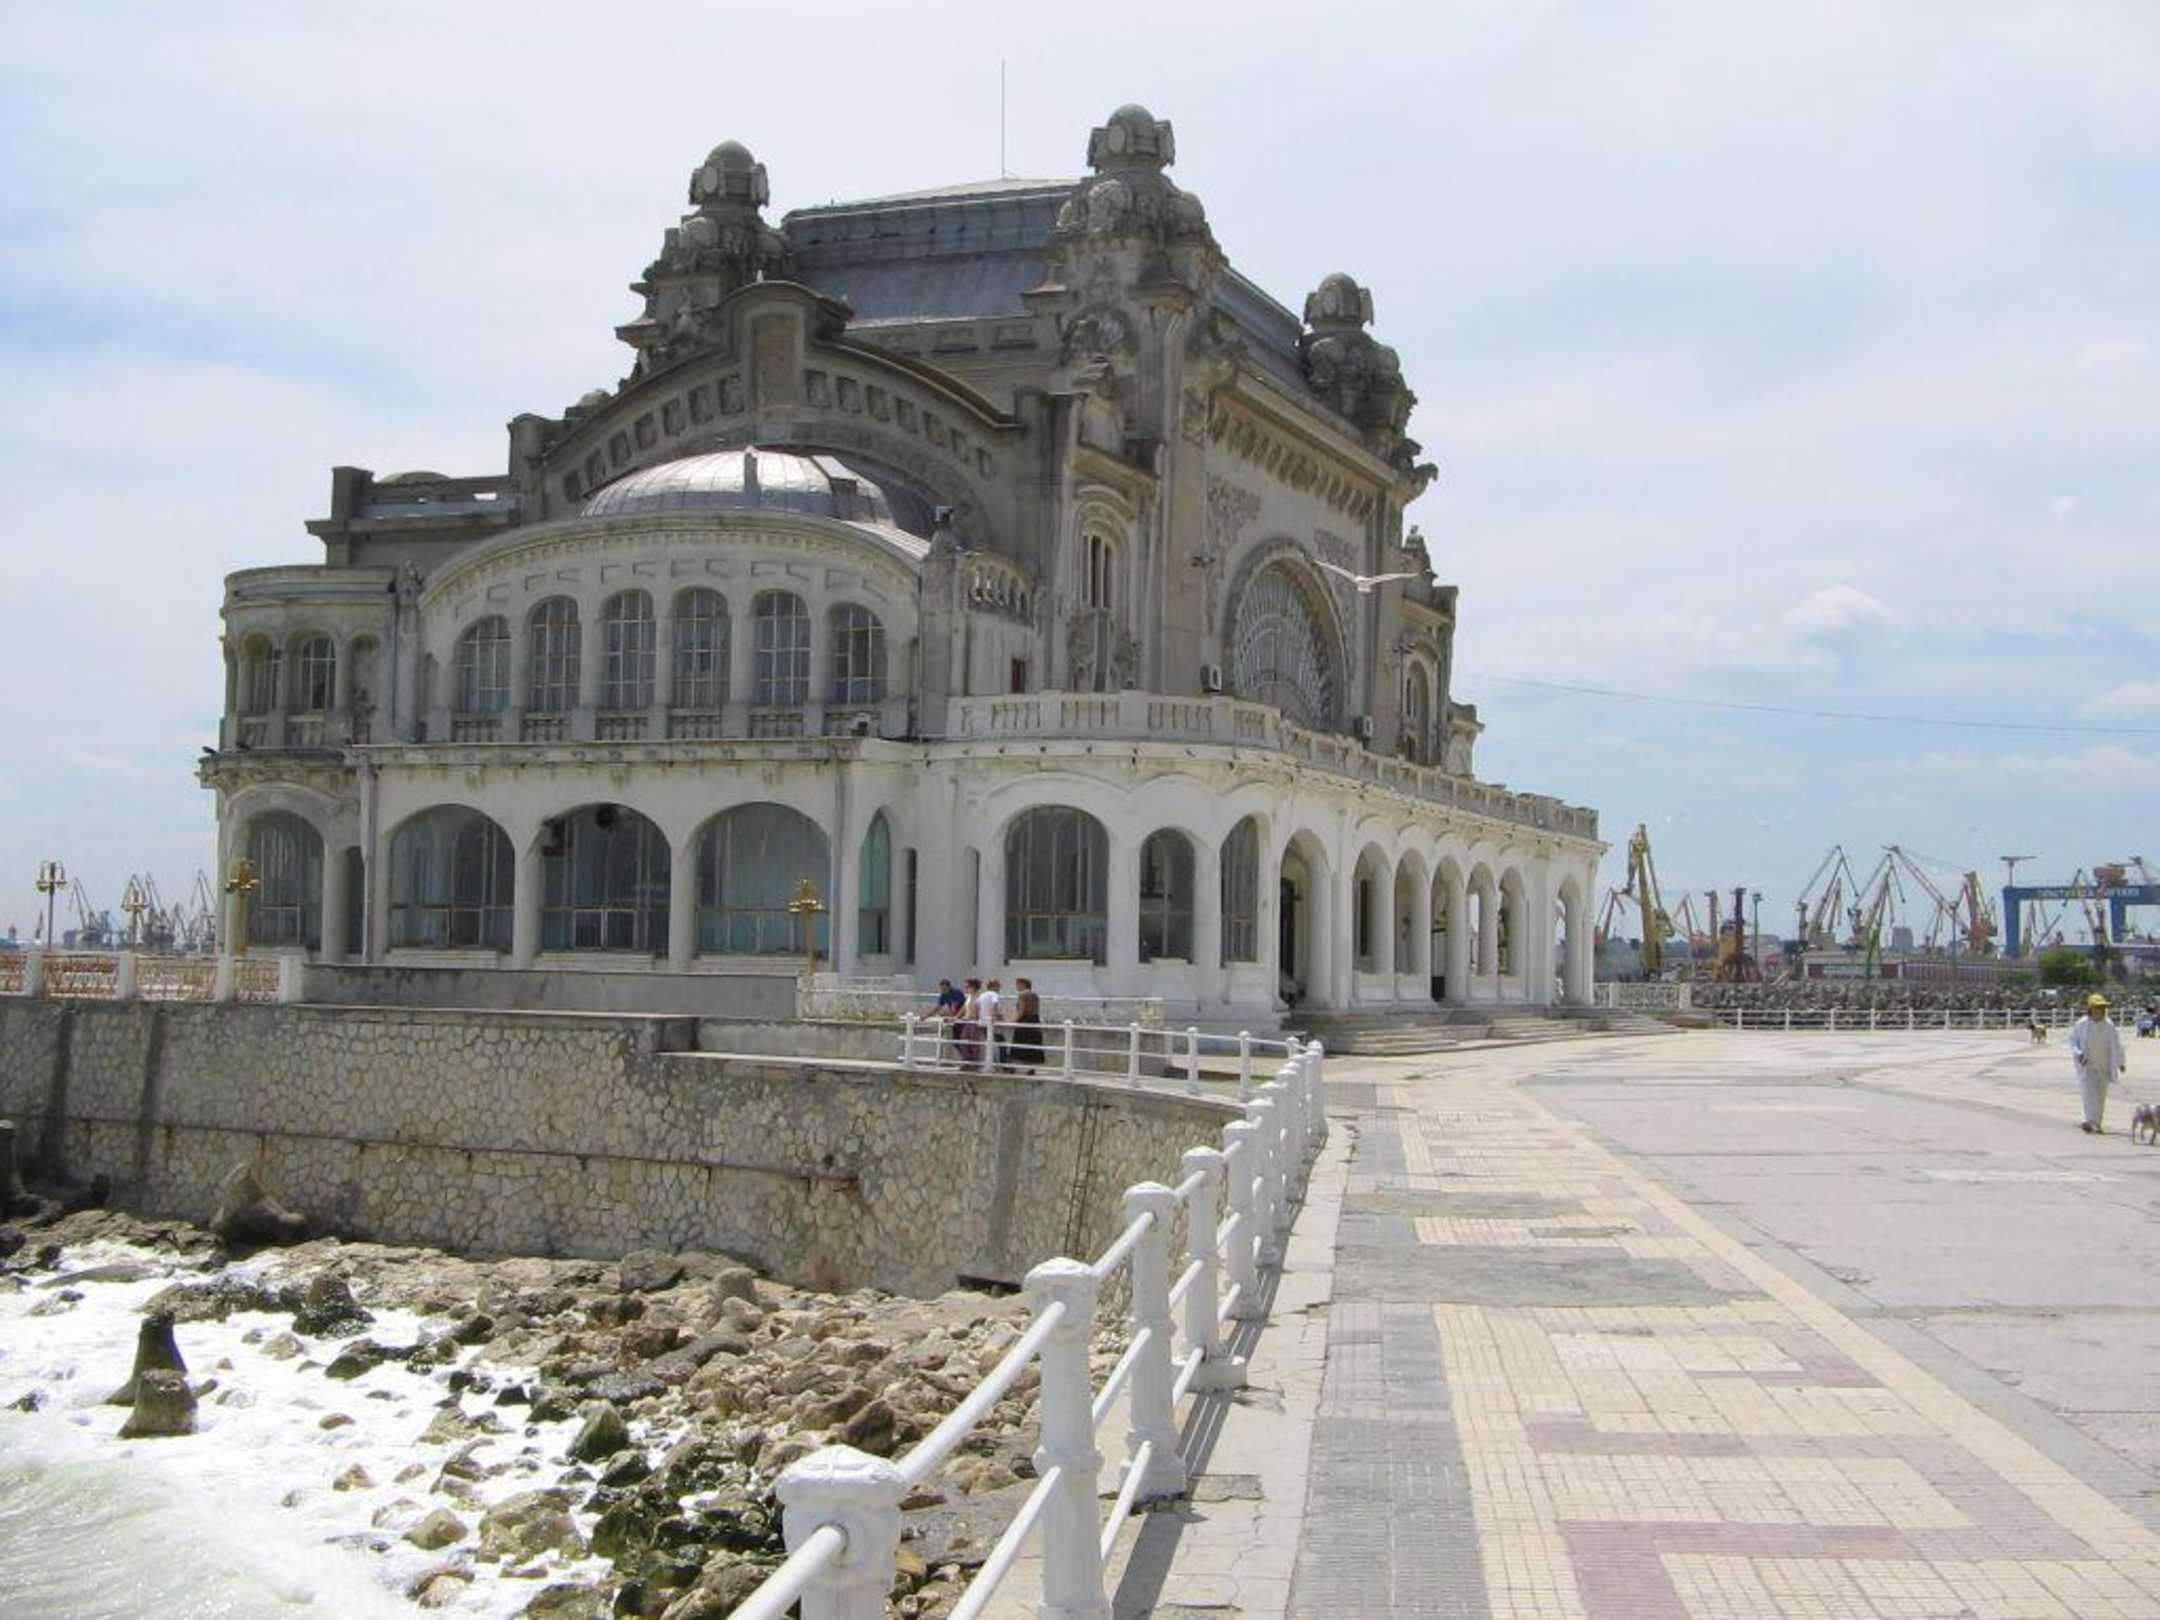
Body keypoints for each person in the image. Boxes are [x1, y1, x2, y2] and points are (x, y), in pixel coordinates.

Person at [2070, 992, 2127, 1134]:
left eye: (2102, 1008)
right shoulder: (2082, 1024)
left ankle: (2096, 1123)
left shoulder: (2109, 1025)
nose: (2100, 1010)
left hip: (2103, 1066)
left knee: (2100, 1096)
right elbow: (2073, 1043)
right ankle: (2088, 1121)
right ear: (2090, 1009)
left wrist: (2121, 1062)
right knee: (2089, 1094)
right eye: (2097, 1007)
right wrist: (2079, 1054)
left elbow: (2117, 1045)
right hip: (2087, 1066)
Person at [1008, 977, 1045, 1072]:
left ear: (1022, 984)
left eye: (1018, 984)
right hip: (1034, 1020)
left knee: (1019, 1044)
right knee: (1032, 1044)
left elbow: (1021, 1010)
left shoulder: (1022, 995)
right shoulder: (1035, 995)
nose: (1016, 986)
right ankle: (1031, 1067)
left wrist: (1013, 1021)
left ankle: (1014, 1067)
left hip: (1025, 1020)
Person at [956, 978, 984, 1071]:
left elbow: (977, 1012)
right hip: (967, 1022)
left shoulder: (978, 999)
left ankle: (975, 1064)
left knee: (974, 1044)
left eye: (968, 987)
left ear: (973, 987)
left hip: (974, 1023)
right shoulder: (969, 998)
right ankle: (966, 1062)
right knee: (963, 1043)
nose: (966, 988)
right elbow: (963, 1009)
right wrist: (955, 1018)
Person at [977, 978, 1005, 1070]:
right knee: (1000, 1043)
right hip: (991, 1023)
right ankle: (1002, 1064)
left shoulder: (982, 995)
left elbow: (977, 1006)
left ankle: (990, 1064)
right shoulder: (994, 994)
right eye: (998, 987)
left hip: (982, 1022)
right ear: (994, 987)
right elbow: (995, 1003)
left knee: (988, 1044)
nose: (999, 989)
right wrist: (993, 1016)